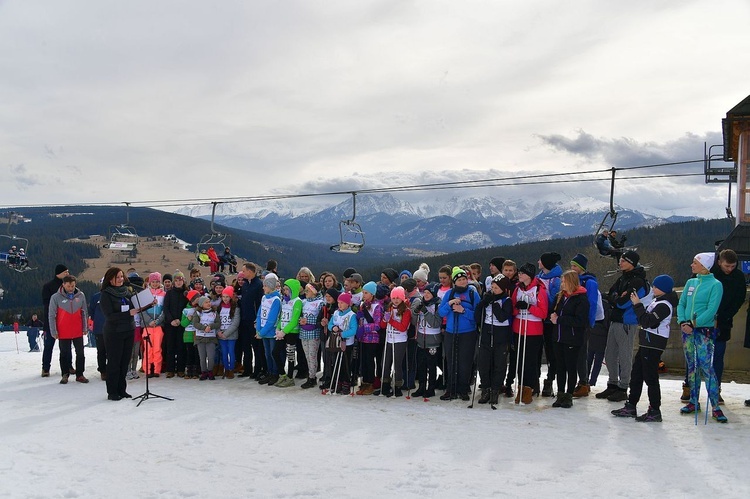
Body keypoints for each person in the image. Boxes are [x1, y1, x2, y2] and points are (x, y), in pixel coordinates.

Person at [611, 275, 677, 422]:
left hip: (653, 344)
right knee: (637, 375)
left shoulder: (664, 305)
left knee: (650, 377)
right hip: (646, 343)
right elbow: (646, 319)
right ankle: (631, 404)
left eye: (656, 286)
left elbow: (648, 321)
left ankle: (654, 409)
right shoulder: (657, 301)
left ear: (663, 289)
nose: (653, 288)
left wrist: (637, 305)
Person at [677, 252, 726, 422]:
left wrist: (693, 324)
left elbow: (712, 310)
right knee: (692, 366)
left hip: (703, 332)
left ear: (704, 266)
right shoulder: (691, 282)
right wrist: (683, 321)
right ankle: (693, 401)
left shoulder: (715, 285)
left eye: (695, 263)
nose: (692, 265)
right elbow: (682, 303)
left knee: (706, 367)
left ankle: (715, 406)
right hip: (687, 332)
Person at [596, 251, 648, 402]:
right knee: (610, 354)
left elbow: (622, 303)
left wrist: (616, 297)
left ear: (631, 263)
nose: (620, 262)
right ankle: (612, 384)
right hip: (615, 319)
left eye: (624, 261)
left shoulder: (638, 281)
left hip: (627, 322)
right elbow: (610, 294)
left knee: (624, 356)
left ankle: (624, 386)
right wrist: (617, 296)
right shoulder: (623, 278)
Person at [100, 267, 154, 401]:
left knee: (124, 362)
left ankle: (122, 390)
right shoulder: (106, 294)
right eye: (117, 277)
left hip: (128, 330)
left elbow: (136, 308)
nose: (120, 279)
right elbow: (109, 315)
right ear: (110, 279)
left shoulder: (126, 292)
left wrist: (150, 304)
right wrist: (127, 314)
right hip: (114, 332)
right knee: (114, 362)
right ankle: (112, 392)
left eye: (121, 277)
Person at [708, 249, 746, 404]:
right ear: (719, 262)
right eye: (726, 266)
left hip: (724, 322)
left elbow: (739, 298)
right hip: (705, 321)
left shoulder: (738, 277)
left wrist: (727, 315)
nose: (729, 269)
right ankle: (689, 388)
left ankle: (716, 389)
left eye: (732, 266)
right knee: (697, 357)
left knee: (718, 356)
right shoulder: (710, 275)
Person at [438, 267, 481, 401]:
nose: (463, 282)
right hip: (451, 332)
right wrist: (449, 305)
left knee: (465, 362)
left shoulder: (473, 293)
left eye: (464, 279)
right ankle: (451, 389)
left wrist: (463, 311)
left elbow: (478, 316)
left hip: (468, 333)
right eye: (460, 280)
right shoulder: (449, 294)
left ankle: (463, 389)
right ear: (454, 282)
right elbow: (440, 313)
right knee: (451, 361)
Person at [549, 270, 589, 408]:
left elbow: (580, 320)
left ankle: (569, 395)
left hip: (572, 338)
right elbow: (553, 311)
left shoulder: (581, 299)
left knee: (571, 367)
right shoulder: (560, 296)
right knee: (560, 367)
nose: (562, 284)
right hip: (558, 337)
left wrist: (559, 319)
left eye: (564, 281)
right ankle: (560, 393)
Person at [510, 263, 549, 405]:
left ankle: (529, 388)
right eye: (519, 272)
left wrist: (529, 307)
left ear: (529, 275)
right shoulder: (517, 289)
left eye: (522, 273)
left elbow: (543, 313)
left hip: (533, 329)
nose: (519, 275)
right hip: (518, 327)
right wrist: (516, 307)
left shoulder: (539, 290)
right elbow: (513, 309)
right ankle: (521, 387)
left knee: (530, 361)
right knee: (519, 360)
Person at [475, 275, 513, 405]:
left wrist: (495, 304)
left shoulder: (506, 300)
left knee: (499, 365)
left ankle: (495, 390)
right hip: (486, 333)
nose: (493, 290)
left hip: (500, 336)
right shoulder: (487, 298)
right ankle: (485, 388)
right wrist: (482, 303)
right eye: (492, 287)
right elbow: (477, 316)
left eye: (496, 288)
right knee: (484, 364)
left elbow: (503, 317)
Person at [569, 253, 602, 398]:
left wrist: (589, 321)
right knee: (577, 353)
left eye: (575, 266)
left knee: (582, 352)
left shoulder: (589, 282)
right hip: (575, 322)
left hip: (583, 323)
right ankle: (581, 381)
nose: (572, 268)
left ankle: (584, 382)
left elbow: (592, 303)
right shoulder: (576, 281)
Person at [49, 275, 89, 384]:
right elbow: (51, 315)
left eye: (72, 286)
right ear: (63, 284)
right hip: (63, 330)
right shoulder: (55, 297)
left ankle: (80, 374)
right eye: (68, 286)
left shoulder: (81, 296)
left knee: (80, 353)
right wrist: (54, 331)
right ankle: (65, 374)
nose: (70, 288)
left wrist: (85, 327)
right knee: (64, 353)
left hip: (77, 330)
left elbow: (84, 312)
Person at [376, 287, 411, 397]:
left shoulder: (406, 311)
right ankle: (385, 385)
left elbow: (403, 327)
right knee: (385, 363)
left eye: (398, 298)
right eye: (394, 298)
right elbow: (382, 326)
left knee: (397, 364)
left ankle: (397, 386)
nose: (396, 300)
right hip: (389, 339)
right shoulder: (389, 308)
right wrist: (384, 319)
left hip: (400, 340)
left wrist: (390, 320)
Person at [537, 252, 563, 397]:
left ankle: (550, 380)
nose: (538, 262)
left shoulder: (556, 280)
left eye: (541, 260)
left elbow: (554, 300)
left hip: (549, 321)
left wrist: (540, 297)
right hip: (538, 319)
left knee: (551, 352)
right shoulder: (539, 277)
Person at [41, 264, 70, 377]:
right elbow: (46, 303)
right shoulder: (48, 286)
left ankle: (68, 366)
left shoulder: (68, 286)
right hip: (51, 320)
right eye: (65, 272)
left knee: (66, 346)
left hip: (65, 320)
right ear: (59, 273)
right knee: (49, 345)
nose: (67, 273)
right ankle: (45, 367)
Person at [273, 278, 303, 388]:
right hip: (283, 331)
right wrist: (278, 328)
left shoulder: (297, 301)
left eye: (287, 289)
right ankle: (282, 374)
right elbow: (282, 316)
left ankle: (290, 378)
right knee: (275, 352)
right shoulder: (285, 301)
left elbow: (294, 320)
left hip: (291, 332)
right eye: (284, 289)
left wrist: (284, 331)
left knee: (290, 355)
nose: (285, 291)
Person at [327, 292, 358, 394]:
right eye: (339, 302)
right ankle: (338, 382)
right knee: (335, 362)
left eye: (342, 303)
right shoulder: (336, 313)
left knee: (345, 364)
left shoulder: (351, 315)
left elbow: (354, 330)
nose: (339, 305)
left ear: (348, 304)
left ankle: (346, 382)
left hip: (347, 343)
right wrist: (332, 327)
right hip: (336, 343)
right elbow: (330, 324)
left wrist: (342, 334)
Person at [238, 263, 264, 379]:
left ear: (250, 271)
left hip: (253, 320)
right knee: (245, 346)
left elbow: (259, 304)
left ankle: (258, 369)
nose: (242, 273)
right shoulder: (245, 285)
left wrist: (257, 320)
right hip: (244, 319)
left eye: (244, 271)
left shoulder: (258, 285)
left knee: (256, 346)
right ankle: (247, 368)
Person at [256, 274, 282, 386]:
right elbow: (259, 314)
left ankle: (275, 373)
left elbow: (272, 319)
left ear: (270, 286)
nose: (263, 288)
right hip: (263, 331)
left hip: (271, 332)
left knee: (272, 353)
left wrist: (262, 332)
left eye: (265, 286)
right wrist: (258, 329)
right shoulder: (264, 297)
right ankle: (269, 372)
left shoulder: (276, 299)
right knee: (267, 354)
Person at [140, 272, 166, 378]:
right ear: (149, 283)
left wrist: (158, 320)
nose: (155, 284)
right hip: (147, 325)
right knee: (148, 348)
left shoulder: (163, 294)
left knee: (157, 348)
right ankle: (147, 369)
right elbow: (141, 310)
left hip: (158, 325)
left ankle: (157, 369)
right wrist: (149, 321)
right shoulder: (145, 294)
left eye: (157, 282)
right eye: (153, 282)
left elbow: (165, 310)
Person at [163, 270, 188, 378]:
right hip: (170, 324)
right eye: (176, 280)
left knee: (181, 347)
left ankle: (181, 369)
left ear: (183, 281)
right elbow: (166, 308)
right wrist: (171, 320)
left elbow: (188, 308)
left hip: (182, 323)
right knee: (170, 347)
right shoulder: (169, 293)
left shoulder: (186, 293)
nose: (178, 282)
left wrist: (180, 320)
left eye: (180, 280)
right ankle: (170, 369)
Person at [299, 282, 325, 389]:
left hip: (313, 332)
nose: (305, 292)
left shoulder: (320, 303)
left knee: (312, 355)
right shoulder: (303, 302)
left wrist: (308, 320)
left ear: (314, 292)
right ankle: (310, 374)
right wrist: (301, 320)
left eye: (308, 290)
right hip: (304, 331)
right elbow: (300, 314)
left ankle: (312, 377)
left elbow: (319, 318)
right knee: (307, 356)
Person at [193, 296, 220, 380]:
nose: (209, 304)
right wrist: (203, 328)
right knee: (202, 356)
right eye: (206, 302)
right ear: (201, 304)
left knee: (211, 356)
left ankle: (210, 371)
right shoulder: (197, 313)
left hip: (211, 337)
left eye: (209, 302)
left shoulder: (214, 313)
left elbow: (218, 323)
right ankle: (204, 372)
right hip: (200, 338)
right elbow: (195, 323)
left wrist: (211, 326)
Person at [217, 287, 240, 379]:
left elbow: (235, 323)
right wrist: (218, 332)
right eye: (223, 296)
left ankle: (231, 369)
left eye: (227, 296)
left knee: (231, 351)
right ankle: (226, 369)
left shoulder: (235, 308)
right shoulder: (219, 308)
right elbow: (216, 321)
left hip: (231, 335)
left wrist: (225, 334)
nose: (225, 299)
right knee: (224, 352)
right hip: (221, 334)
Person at [88, 282, 108, 379]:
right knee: (101, 350)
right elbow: (91, 311)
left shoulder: (113, 296)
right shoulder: (96, 297)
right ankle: (103, 370)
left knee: (112, 350)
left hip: (112, 328)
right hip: (99, 328)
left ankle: (111, 369)